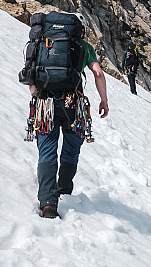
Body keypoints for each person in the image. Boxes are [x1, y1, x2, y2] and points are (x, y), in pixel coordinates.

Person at [27, 18, 109, 219]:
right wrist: (104, 100)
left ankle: (48, 203)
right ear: (80, 30)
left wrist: (38, 96)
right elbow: (98, 73)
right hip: (74, 105)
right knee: (71, 149)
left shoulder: (43, 41)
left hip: (45, 104)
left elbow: (31, 77)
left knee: (47, 150)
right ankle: (64, 191)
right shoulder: (84, 46)